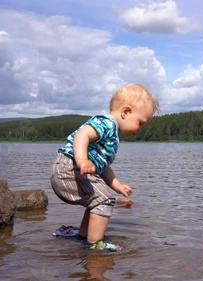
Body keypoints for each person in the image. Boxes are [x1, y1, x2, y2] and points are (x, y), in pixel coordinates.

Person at [50, 83, 158, 251]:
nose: (140, 129)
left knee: (97, 200)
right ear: (126, 112)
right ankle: (95, 244)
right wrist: (82, 160)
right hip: (70, 168)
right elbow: (82, 134)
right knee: (105, 200)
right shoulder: (107, 123)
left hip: (74, 169)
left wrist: (117, 185)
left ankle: (85, 237)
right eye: (140, 122)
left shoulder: (111, 135)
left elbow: (104, 167)